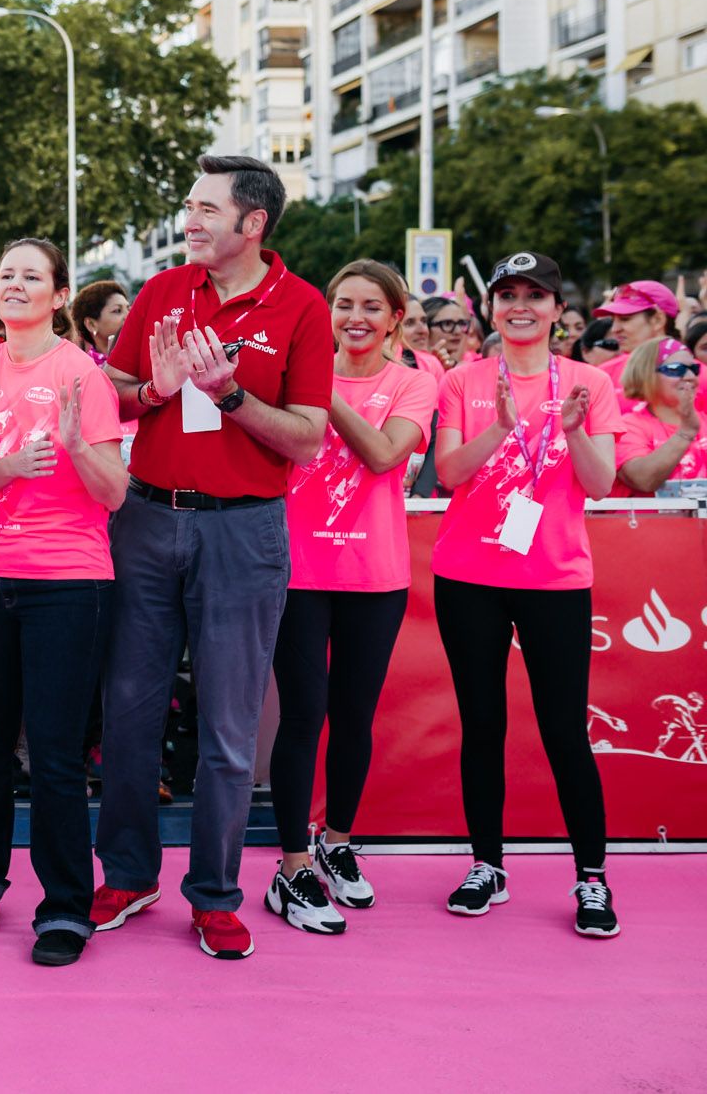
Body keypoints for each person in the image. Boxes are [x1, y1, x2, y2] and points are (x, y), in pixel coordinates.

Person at [92, 156, 333, 961]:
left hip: (246, 530)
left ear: (252, 223)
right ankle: (127, 872)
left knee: (229, 725)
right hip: (149, 518)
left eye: (205, 208)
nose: (189, 220)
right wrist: (156, 390)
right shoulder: (162, 291)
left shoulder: (301, 306)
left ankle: (216, 893)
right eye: (188, 207)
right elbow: (114, 395)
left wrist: (230, 395)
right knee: (128, 711)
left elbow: (307, 435)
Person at [0, 238, 126, 966]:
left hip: (67, 580)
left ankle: (64, 909)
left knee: (53, 751)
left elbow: (113, 492)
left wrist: (79, 445)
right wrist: (12, 466)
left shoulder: (84, 374)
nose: (15, 285)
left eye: (31, 276)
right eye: (5, 275)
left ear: (57, 294)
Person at [432, 251, 620, 938]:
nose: (519, 305)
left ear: (556, 310)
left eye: (534, 295)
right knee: (483, 726)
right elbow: (449, 472)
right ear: (490, 307)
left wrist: (569, 428)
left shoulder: (590, 382)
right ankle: (488, 865)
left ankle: (591, 878)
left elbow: (599, 485)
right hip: (469, 577)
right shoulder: (462, 379)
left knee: (565, 730)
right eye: (507, 293)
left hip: (554, 577)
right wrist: (502, 426)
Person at [265, 260, 435, 935]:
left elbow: (385, 456)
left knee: (354, 715)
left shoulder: (414, 384)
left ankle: (337, 839)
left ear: (396, 317)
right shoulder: (292, 375)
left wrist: (324, 389)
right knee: (302, 714)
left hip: (375, 574)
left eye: (371, 306)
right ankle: (293, 862)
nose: (355, 317)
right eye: (343, 304)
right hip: (298, 570)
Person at [614, 338, 704, 496]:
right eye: (676, 369)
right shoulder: (627, 427)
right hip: (645, 521)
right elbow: (643, 480)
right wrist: (686, 433)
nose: (690, 376)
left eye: (694, 369)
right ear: (646, 374)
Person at [593, 280, 679, 408]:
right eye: (613, 320)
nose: (614, 329)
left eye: (625, 319)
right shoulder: (603, 376)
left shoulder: (698, 376)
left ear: (658, 320)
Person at [71, 280, 129, 365]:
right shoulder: (84, 371)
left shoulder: (147, 356)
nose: (128, 316)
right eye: (117, 311)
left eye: (129, 309)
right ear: (91, 324)